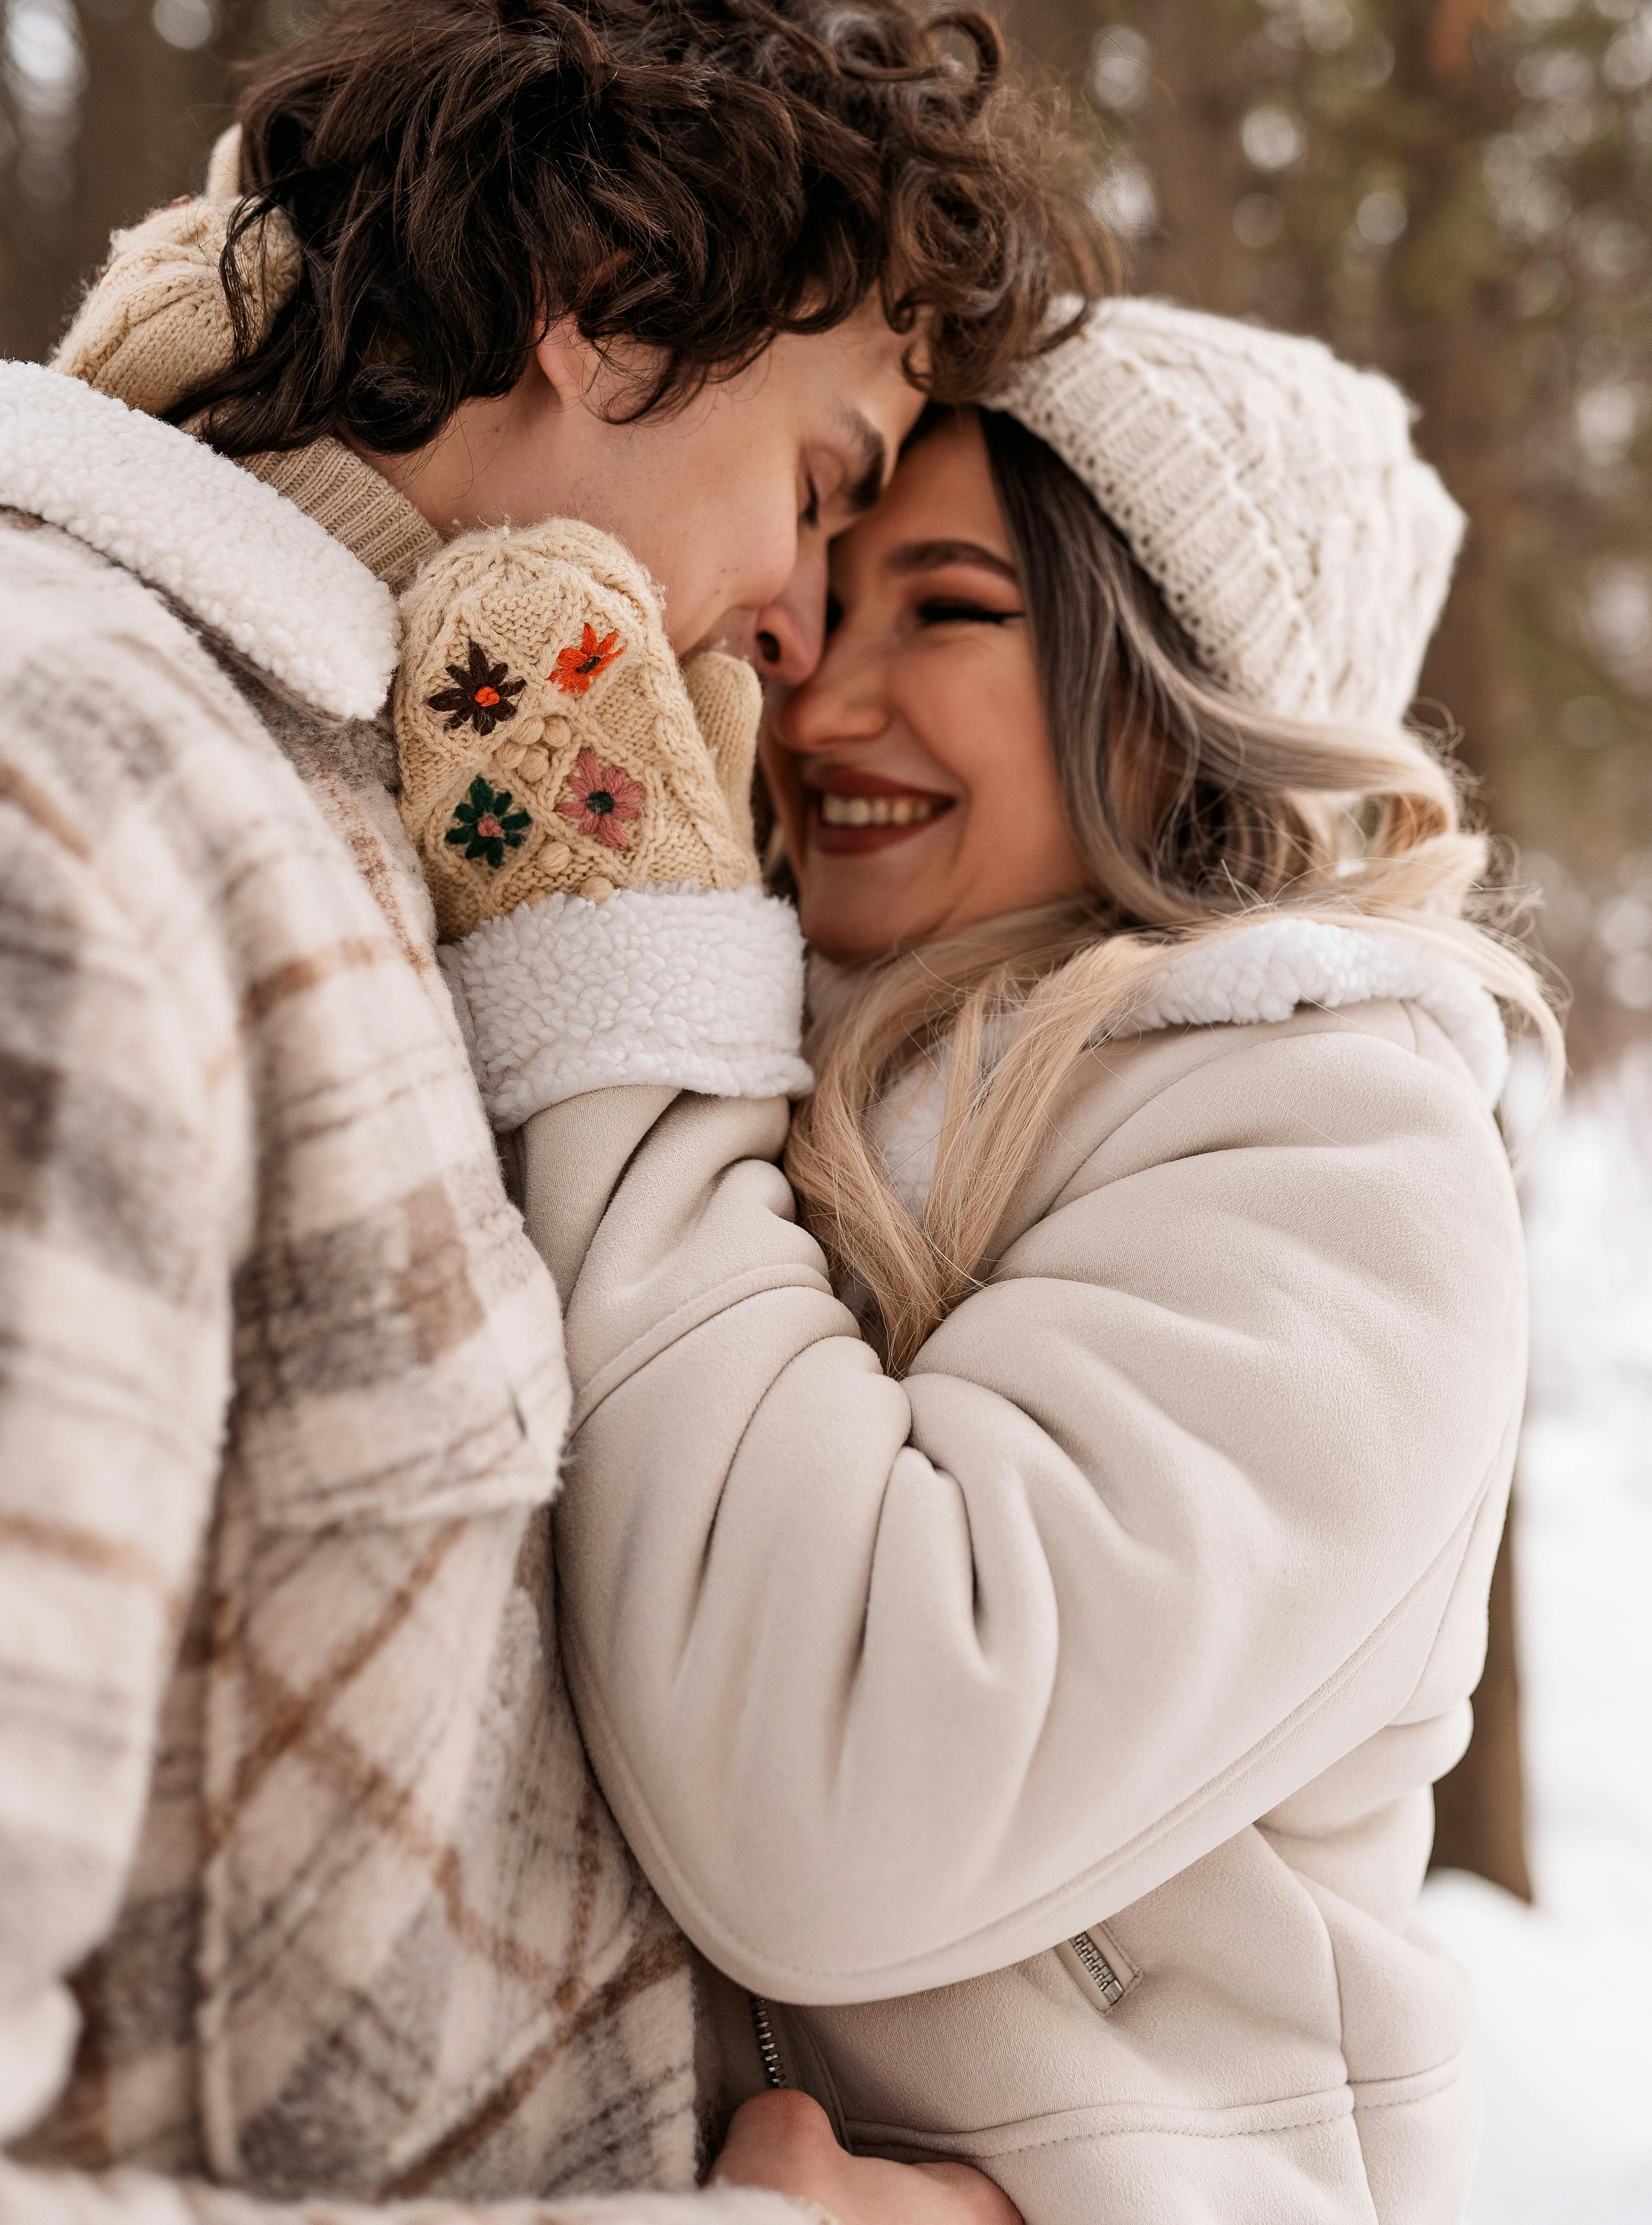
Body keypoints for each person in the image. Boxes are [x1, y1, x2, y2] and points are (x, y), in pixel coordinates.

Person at [0, 0, 1094, 2224]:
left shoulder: (416, 809)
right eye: (820, 483)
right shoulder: (66, 795)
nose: (803, 628)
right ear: (600, 316)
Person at [393, 298, 1559, 2225]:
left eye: (946, 609)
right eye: (821, 605)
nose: (826, 700)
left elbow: (832, 1788)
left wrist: (627, 995)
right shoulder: (795, 1031)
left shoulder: (1343, 1148)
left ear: (1182, 694)